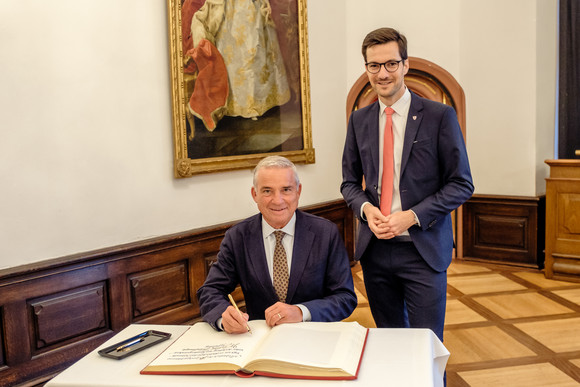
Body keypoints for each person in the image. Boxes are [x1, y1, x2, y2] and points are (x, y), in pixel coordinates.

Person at [341, 27, 474, 341]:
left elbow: (461, 184)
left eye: (390, 64)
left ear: (405, 65)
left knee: (427, 345)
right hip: (374, 251)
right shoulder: (359, 120)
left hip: (422, 250)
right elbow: (349, 183)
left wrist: (411, 216)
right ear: (366, 69)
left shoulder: (440, 116)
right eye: (374, 65)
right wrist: (365, 209)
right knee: (390, 341)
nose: (382, 73)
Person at [197, 156, 357, 334]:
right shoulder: (238, 237)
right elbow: (210, 290)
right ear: (254, 194)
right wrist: (222, 317)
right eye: (267, 191)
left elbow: (345, 298)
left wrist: (301, 311)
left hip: (316, 336)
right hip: (260, 340)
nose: (277, 200)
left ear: (298, 191)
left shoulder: (326, 233)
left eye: (286, 190)